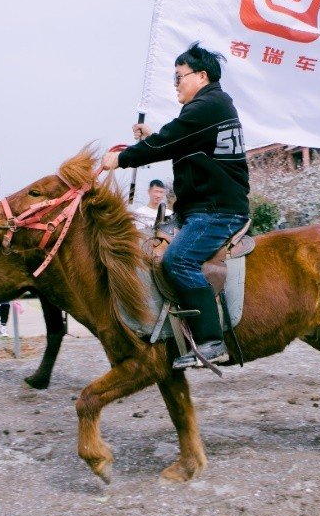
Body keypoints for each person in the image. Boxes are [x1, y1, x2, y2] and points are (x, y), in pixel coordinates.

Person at [102, 42, 249, 369]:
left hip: (217, 211)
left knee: (178, 260)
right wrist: (153, 136)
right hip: (203, 208)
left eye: (179, 76)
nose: (175, 83)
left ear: (201, 75)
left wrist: (121, 158)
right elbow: (178, 141)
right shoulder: (211, 108)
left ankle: (212, 342)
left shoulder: (208, 106)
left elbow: (170, 141)